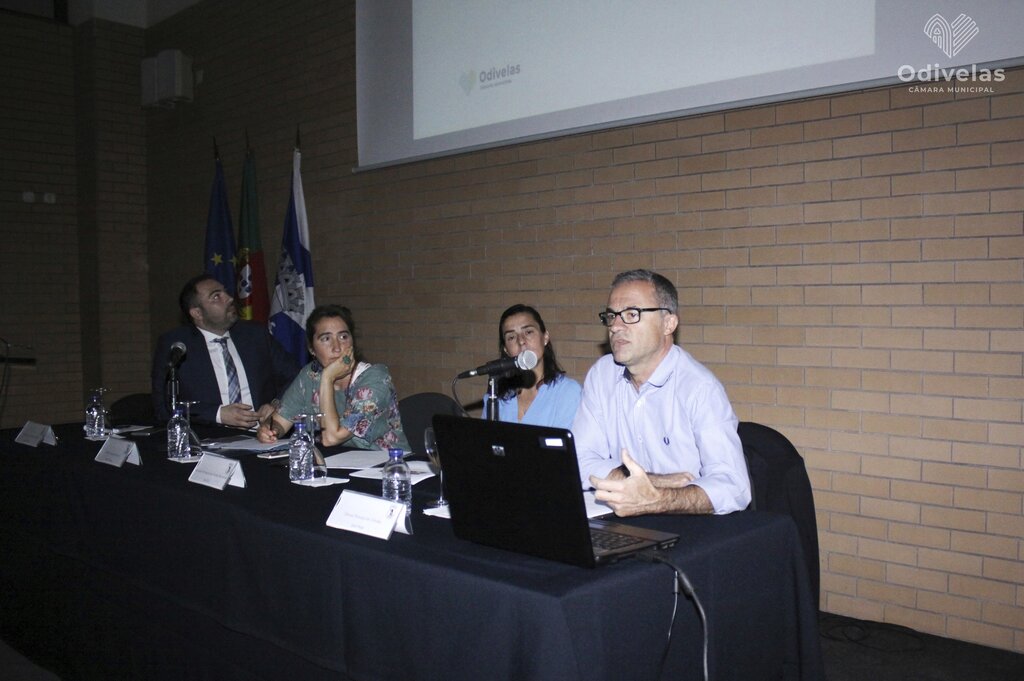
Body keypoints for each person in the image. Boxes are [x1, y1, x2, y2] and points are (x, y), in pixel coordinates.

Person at [573, 269, 751, 516]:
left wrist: (657, 499)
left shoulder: (699, 388)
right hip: (622, 518)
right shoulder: (602, 375)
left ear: (668, 324)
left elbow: (734, 487)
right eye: (612, 316)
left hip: (685, 523)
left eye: (631, 314)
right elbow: (579, 459)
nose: (615, 326)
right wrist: (652, 481)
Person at [151, 275, 298, 427]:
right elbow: (164, 407)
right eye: (216, 296)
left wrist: (277, 404)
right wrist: (217, 414)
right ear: (197, 313)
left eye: (225, 292)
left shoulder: (255, 335)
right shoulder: (176, 345)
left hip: (263, 434)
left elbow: (296, 377)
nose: (229, 299)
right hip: (210, 437)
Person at [257, 304, 409, 451]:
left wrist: (327, 378)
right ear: (312, 349)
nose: (337, 347)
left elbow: (332, 438)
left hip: (387, 464)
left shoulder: (376, 377)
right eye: (326, 339)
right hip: (338, 463)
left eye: (343, 337)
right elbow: (279, 421)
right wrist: (270, 430)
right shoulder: (309, 376)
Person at [490, 304, 581, 429]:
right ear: (506, 350)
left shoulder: (568, 392)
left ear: (545, 337)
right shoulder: (496, 396)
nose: (521, 341)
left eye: (528, 332)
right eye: (511, 337)